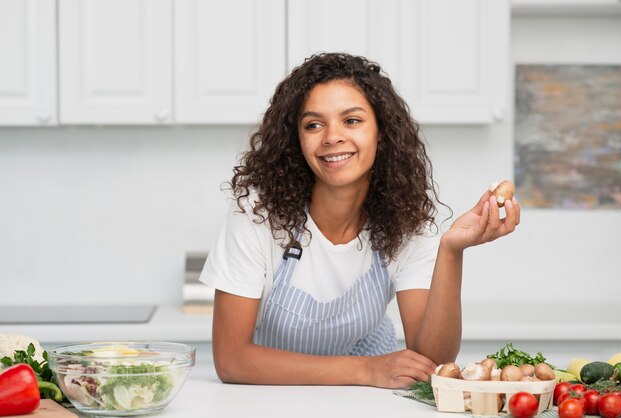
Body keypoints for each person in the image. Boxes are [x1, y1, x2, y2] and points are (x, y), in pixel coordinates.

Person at [200, 52, 520, 389]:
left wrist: (452, 251)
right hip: (275, 394)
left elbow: (433, 363)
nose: (332, 137)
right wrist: (365, 370)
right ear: (296, 139)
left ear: (381, 132)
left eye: (351, 121)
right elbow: (232, 360)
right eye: (313, 124)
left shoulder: (407, 217)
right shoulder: (258, 212)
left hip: (371, 400)